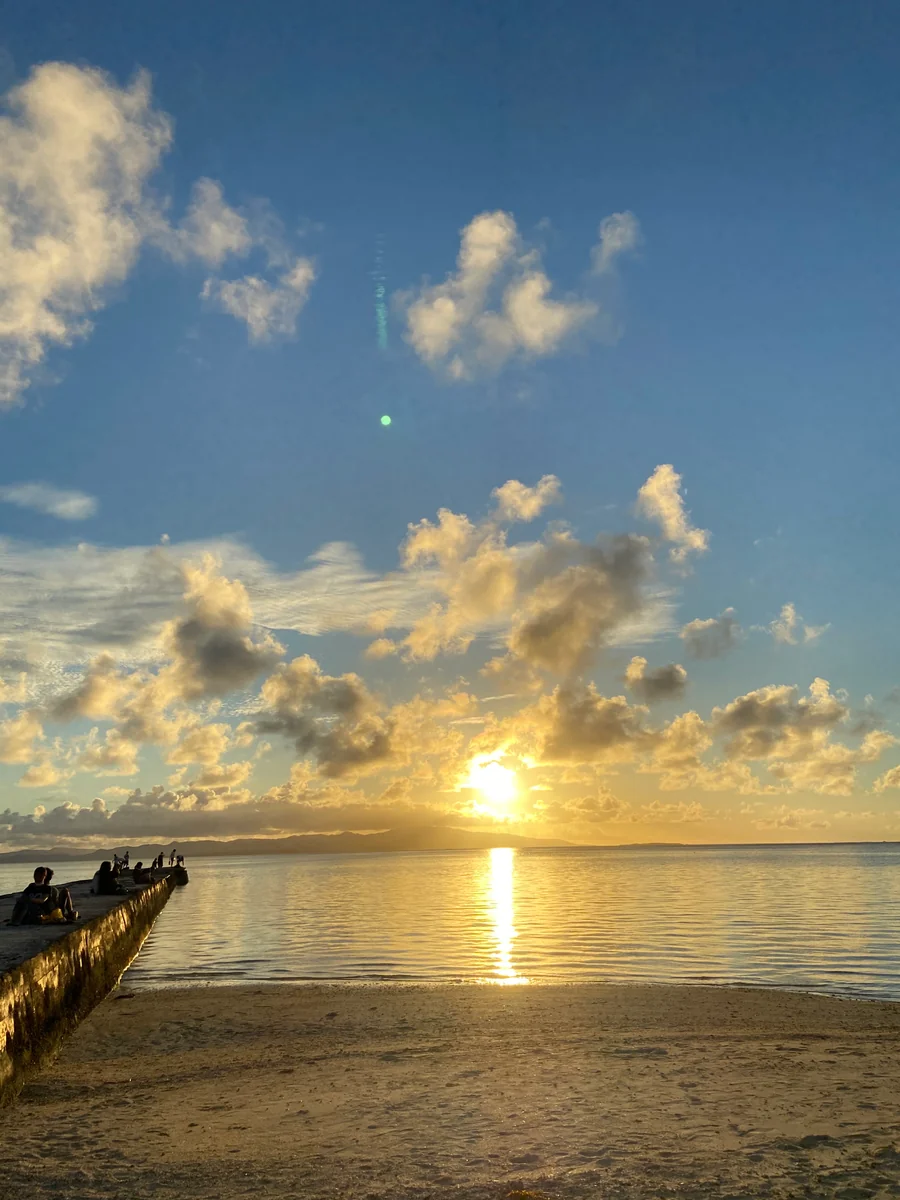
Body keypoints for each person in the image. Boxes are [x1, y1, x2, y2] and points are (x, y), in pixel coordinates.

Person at [10, 867, 78, 925]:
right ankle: (71, 913)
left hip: (48, 911)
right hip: (42, 911)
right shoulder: (32, 887)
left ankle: (71, 914)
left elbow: (43, 900)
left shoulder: (47, 889)